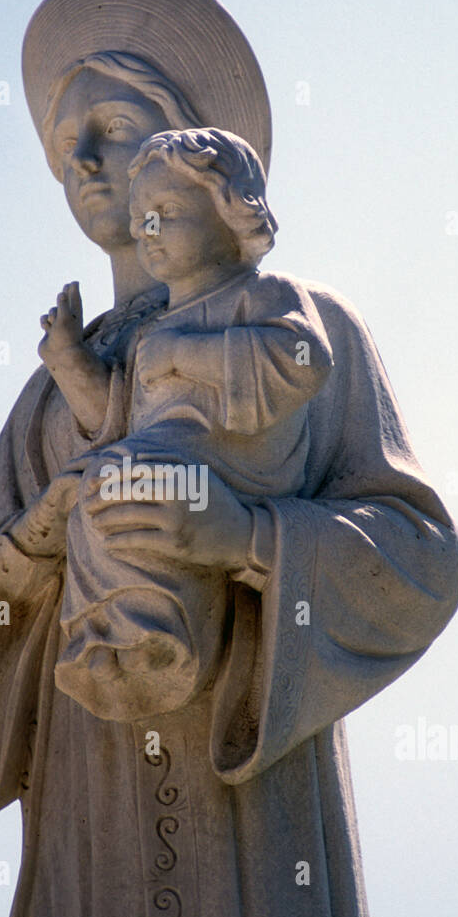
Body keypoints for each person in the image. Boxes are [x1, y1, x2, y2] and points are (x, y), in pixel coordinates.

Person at [0, 0, 458, 917]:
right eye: (66, 153)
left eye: (110, 128)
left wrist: (249, 538)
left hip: (247, 781)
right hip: (87, 811)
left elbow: (414, 550)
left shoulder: (297, 324)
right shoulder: (48, 406)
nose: (87, 169)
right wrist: (27, 551)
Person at [41, 127, 333, 722]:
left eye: (166, 214)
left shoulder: (262, 293)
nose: (147, 233)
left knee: (146, 489)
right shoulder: (150, 333)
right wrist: (71, 363)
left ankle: (160, 638)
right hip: (160, 465)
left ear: (229, 212)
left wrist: (189, 355)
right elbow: (119, 419)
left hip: (237, 471)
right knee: (106, 487)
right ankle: (104, 640)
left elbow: (306, 360)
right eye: (140, 217)